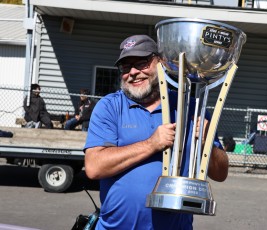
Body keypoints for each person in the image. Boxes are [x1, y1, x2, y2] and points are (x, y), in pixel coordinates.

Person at [84, 35, 229, 230]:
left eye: (142, 63)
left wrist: (206, 143)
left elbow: (220, 173)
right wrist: (151, 144)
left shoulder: (190, 108)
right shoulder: (110, 106)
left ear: (161, 62)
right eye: (125, 68)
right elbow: (94, 167)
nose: (133, 73)